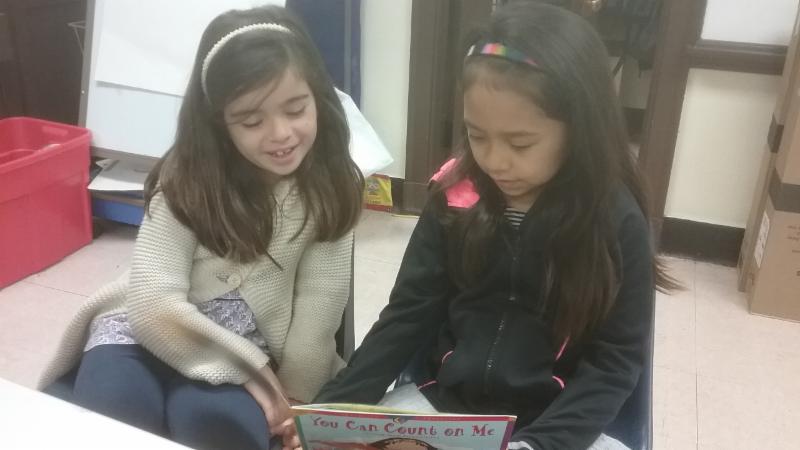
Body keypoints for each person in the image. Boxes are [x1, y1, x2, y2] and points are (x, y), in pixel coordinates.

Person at [315, 3, 678, 450]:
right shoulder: (454, 199)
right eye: (477, 136)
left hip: (560, 426)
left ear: (580, 128)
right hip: (444, 409)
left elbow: (615, 363)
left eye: (520, 143)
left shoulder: (614, 222)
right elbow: (407, 316)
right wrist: (333, 410)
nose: (495, 161)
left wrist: (540, 445)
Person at [38, 5, 363, 450]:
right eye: (252, 121)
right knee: (114, 410)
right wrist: (254, 373)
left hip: (243, 346)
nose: (281, 133)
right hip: (145, 329)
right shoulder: (186, 178)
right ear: (219, 122)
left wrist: (294, 401)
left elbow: (319, 312)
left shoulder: (333, 187)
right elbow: (153, 305)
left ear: (319, 98)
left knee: (220, 427)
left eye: (296, 109)